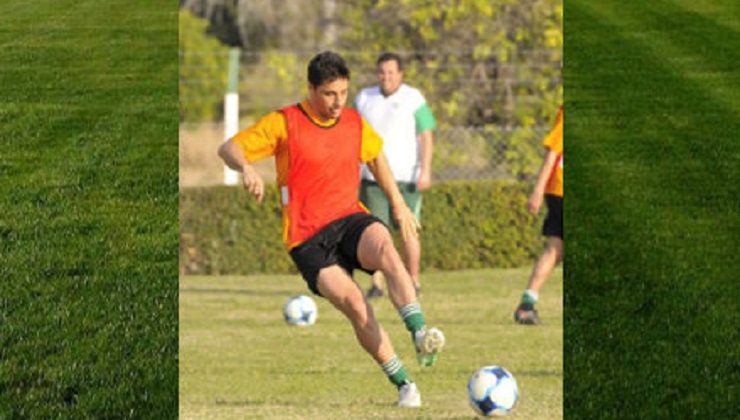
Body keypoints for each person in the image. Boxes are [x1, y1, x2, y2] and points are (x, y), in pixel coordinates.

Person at [217, 51, 445, 407]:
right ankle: (404, 384)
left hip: (349, 217)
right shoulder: (284, 122)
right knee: (355, 303)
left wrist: (398, 204)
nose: (338, 102)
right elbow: (228, 147)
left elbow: (376, 157)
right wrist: (245, 167)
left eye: (342, 92)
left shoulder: (354, 121)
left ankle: (418, 332)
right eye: (329, 94)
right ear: (310, 89)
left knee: (385, 245)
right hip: (307, 239)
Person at [355, 52, 436, 300]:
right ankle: (378, 283)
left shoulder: (414, 98)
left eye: (391, 72)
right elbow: (353, 135)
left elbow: (426, 134)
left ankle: (413, 279)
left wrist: (426, 169)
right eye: (382, 72)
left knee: (407, 229)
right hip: (372, 177)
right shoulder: (363, 98)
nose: (386, 77)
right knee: (376, 232)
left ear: (400, 74)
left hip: (405, 177)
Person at [514, 106, 564, 325]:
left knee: (555, 247)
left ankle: (527, 305)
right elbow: (552, 152)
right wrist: (537, 189)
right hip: (562, 188)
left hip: (557, 190)